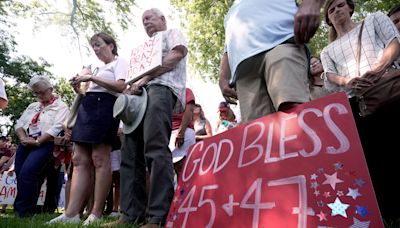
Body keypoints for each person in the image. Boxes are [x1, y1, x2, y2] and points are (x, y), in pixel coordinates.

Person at [106, 8, 187, 228]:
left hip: (161, 89)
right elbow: (131, 79)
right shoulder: (142, 49)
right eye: (143, 20)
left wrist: (147, 77)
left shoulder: (172, 33)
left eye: (149, 18)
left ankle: (158, 215)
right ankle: (130, 214)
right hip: (137, 96)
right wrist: (133, 86)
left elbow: (176, 55)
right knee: (130, 153)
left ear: (163, 19)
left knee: (155, 147)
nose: (146, 22)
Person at [320, 0, 400, 222]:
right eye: (331, 9)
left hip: (391, 90)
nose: (337, 11)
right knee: (377, 159)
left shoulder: (374, 19)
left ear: (350, 7)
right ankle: (392, 213)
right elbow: (328, 75)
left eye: (340, 5)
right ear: (328, 19)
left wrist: (378, 68)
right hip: (360, 105)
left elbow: (394, 41)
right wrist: (348, 81)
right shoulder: (327, 50)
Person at [47, 32, 128, 225]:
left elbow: (120, 86)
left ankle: (96, 213)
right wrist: (79, 86)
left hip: (106, 107)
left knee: (100, 158)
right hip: (87, 107)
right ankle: (71, 213)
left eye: (99, 44)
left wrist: (92, 77)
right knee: (79, 159)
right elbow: (86, 91)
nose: (96, 49)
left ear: (111, 45)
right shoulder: (95, 67)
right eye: (93, 46)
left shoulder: (119, 63)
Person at [219, 0, 325, 123]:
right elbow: (228, 46)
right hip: (243, 69)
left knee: (293, 110)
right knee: (257, 129)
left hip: (282, 42)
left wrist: (312, 3)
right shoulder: (232, 10)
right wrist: (223, 76)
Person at [14, 76, 69, 217]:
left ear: (50, 89)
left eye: (42, 92)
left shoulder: (61, 107)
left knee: (28, 172)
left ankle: (24, 212)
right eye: (36, 93)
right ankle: (22, 209)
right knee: (20, 174)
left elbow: (56, 128)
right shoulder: (33, 106)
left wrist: (38, 141)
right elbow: (19, 124)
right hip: (26, 142)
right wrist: (23, 138)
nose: (39, 96)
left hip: (45, 144)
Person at [170, 88, 196, 178]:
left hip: (182, 131)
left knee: (183, 167)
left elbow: (189, 111)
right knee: (175, 169)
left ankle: (190, 191)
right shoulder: (166, 92)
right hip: (169, 133)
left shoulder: (186, 91)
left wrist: (181, 133)